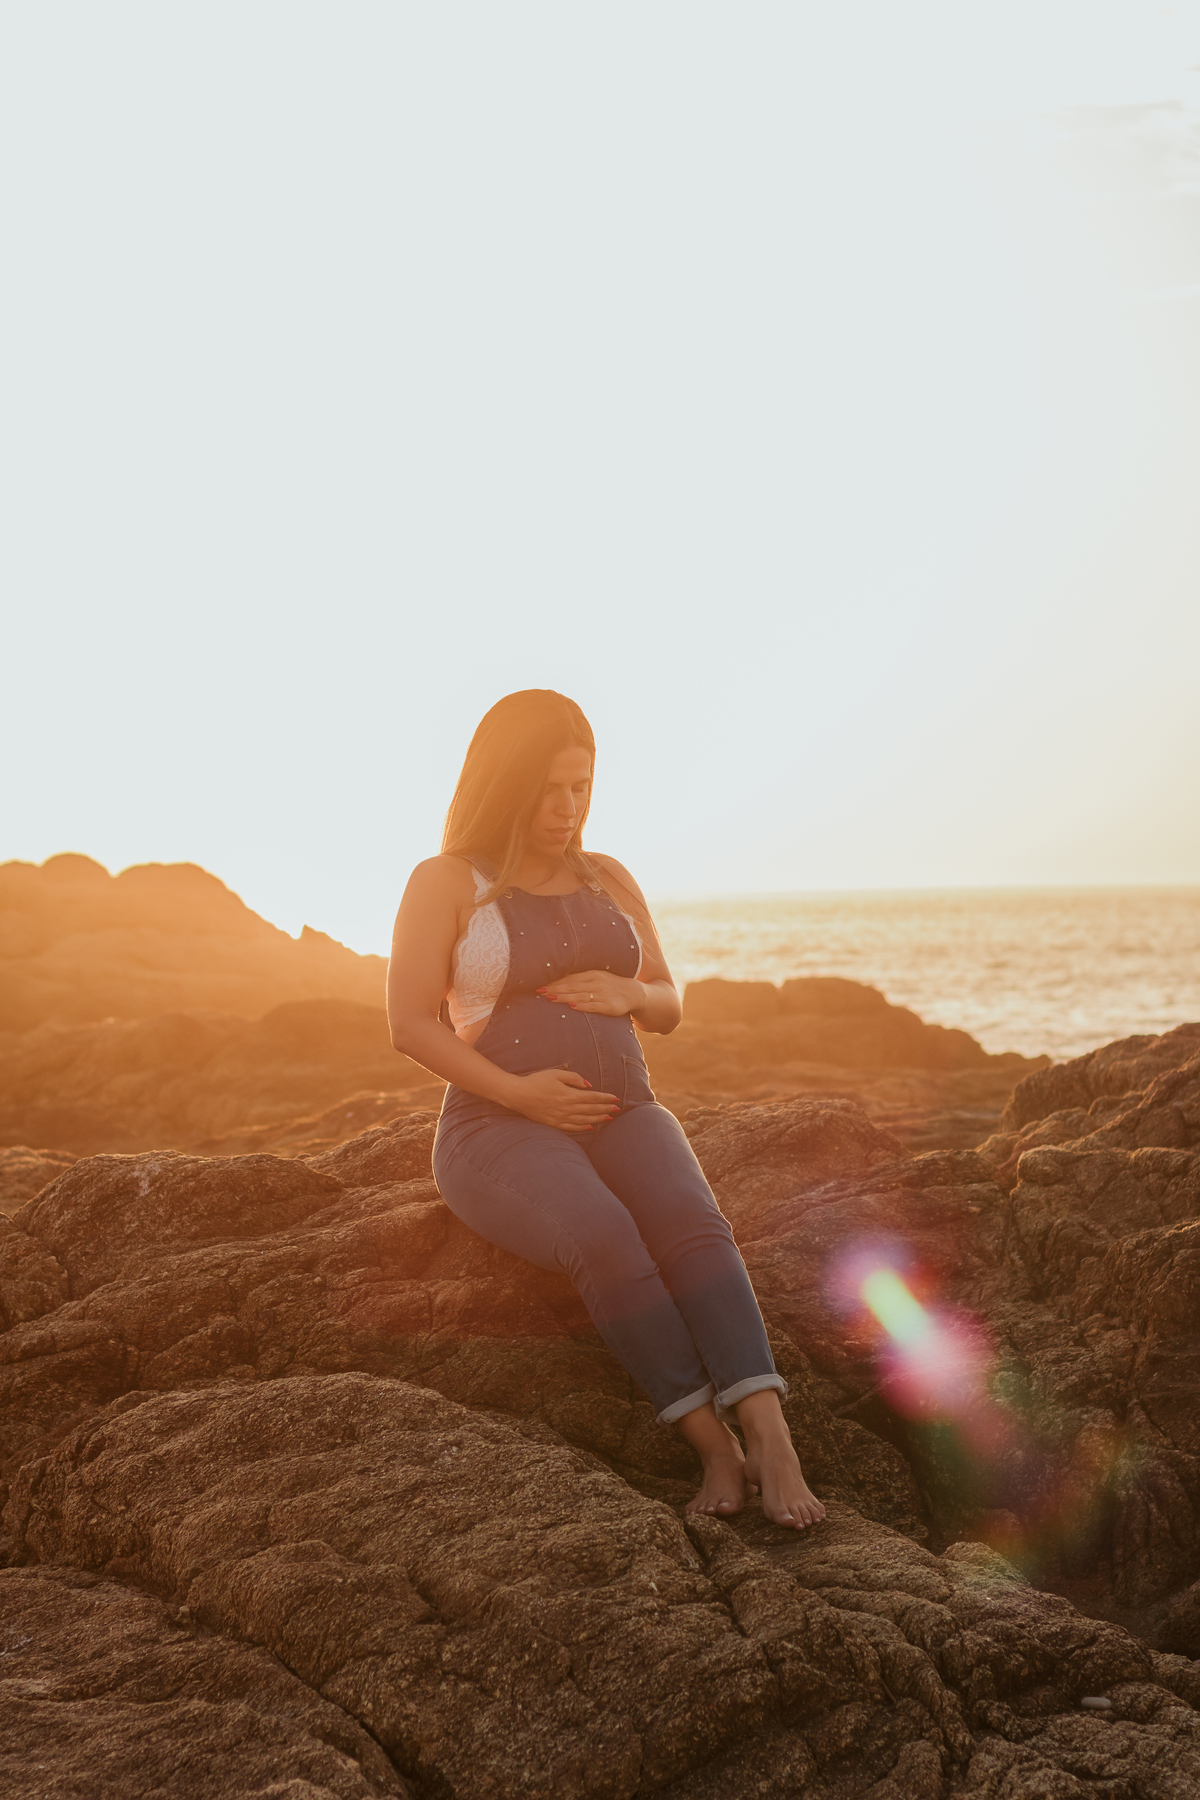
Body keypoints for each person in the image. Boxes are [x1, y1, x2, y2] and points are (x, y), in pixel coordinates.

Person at [386, 689, 825, 1528]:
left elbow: (666, 1004)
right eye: (550, 789)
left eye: (581, 787)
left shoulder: (608, 877)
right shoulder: (448, 884)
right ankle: (712, 1447)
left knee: (696, 1226)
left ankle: (771, 1437)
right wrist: (518, 1094)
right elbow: (408, 1024)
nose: (567, 808)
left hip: (627, 1107)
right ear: (502, 783)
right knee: (604, 1235)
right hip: (496, 1127)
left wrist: (626, 988)